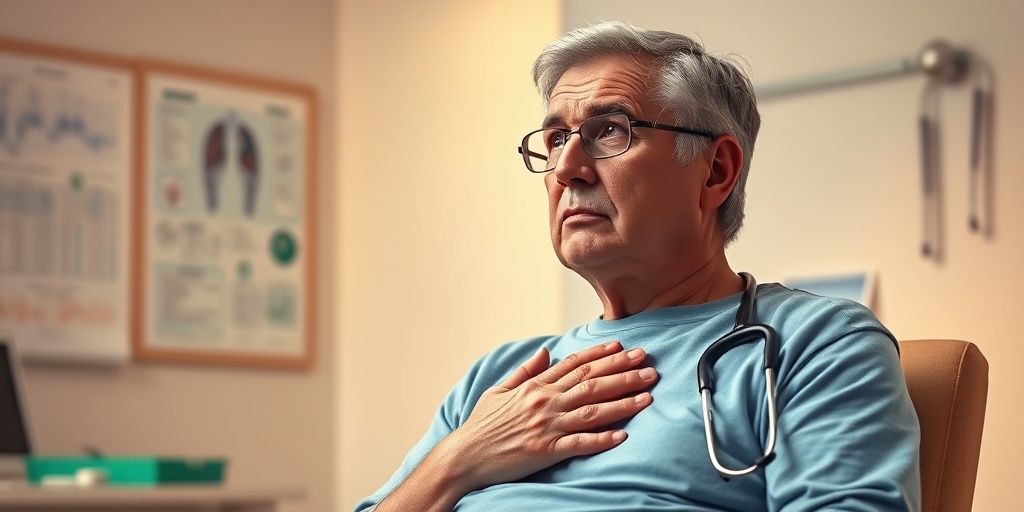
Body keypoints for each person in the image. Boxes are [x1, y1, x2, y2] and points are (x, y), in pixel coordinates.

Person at [356, 21, 920, 512]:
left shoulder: (816, 343)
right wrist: (459, 458)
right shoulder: (497, 381)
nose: (567, 169)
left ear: (716, 171)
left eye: (609, 130)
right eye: (555, 139)